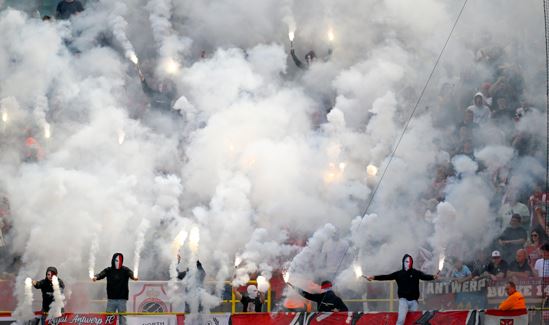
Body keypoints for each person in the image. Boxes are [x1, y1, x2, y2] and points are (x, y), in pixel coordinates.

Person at [365, 254, 438, 325]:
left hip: (414, 301)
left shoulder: (416, 273)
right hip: (403, 300)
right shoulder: (399, 274)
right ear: (403, 262)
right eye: (406, 261)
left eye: (410, 262)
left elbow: (424, 276)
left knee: (414, 320)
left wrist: (433, 277)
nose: (408, 264)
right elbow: (386, 277)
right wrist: (374, 277)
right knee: (401, 319)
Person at [92, 253, 138, 324]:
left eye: (120, 260)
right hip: (111, 299)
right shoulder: (109, 270)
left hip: (122, 299)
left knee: (122, 319)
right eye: (116, 260)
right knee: (109, 319)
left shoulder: (125, 270)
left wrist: (134, 277)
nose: (118, 262)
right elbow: (101, 274)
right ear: (113, 260)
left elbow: (131, 273)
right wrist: (96, 277)